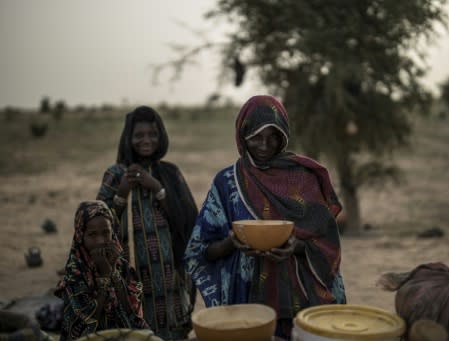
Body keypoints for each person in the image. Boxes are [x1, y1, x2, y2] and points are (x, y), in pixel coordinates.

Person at [183, 95, 346, 340]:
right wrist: (232, 242)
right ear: (242, 137)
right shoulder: (227, 182)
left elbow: (329, 244)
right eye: (256, 137)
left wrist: (296, 246)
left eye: (273, 135)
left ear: (284, 135)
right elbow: (201, 251)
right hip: (247, 300)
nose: (264, 144)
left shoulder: (302, 177)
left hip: (302, 300)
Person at [96, 105, 198, 340]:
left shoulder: (169, 172)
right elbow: (97, 226)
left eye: (153, 134)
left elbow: (188, 220)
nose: (146, 140)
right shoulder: (115, 174)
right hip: (129, 276)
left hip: (169, 276)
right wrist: (122, 194)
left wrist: (157, 187)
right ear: (128, 139)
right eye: (139, 135)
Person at [55, 200, 149, 340]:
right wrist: (105, 276)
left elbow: (131, 309)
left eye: (106, 233)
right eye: (92, 234)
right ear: (81, 235)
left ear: (113, 232)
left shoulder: (119, 262)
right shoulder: (76, 269)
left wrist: (113, 272)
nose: (100, 241)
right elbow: (88, 318)